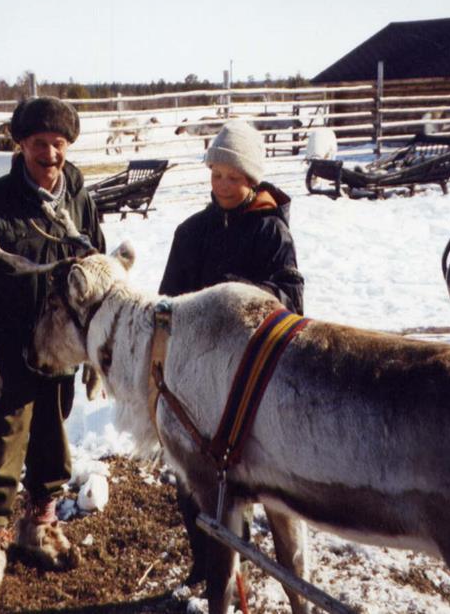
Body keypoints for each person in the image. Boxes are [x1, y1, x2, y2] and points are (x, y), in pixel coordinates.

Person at [0, 96, 105, 600]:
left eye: (58, 144)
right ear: (21, 145)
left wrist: (97, 345)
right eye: (40, 143)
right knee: (2, 441)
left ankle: (39, 523)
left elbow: (97, 270)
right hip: (9, 344)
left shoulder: (79, 197)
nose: (51, 154)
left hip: (60, 344)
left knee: (51, 436)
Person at [158, 119, 304, 587]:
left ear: (251, 180)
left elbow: (293, 301)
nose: (222, 185)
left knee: (254, 475)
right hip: (199, 375)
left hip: (251, 378)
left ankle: (261, 557)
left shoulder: (270, 234)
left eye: (233, 177)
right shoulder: (191, 232)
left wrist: (238, 296)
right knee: (195, 477)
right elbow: (169, 301)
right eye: (216, 174)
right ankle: (206, 563)